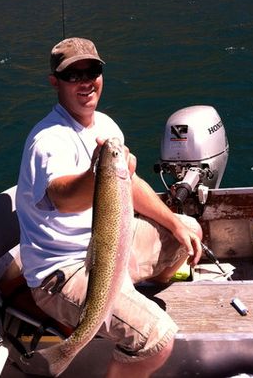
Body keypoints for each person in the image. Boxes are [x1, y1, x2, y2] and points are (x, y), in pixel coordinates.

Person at [16, 37, 202, 378]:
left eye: (92, 70)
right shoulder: (49, 140)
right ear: (54, 82)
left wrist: (175, 223)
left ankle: (133, 297)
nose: (85, 81)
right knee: (157, 340)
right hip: (62, 271)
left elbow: (128, 184)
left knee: (189, 230)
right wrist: (97, 172)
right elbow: (62, 196)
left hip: (107, 245)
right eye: (72, 75)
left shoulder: (104, 124)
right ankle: (117, 329)